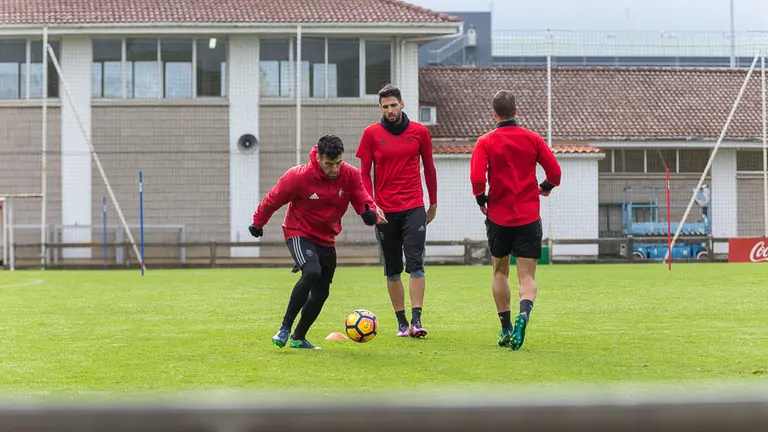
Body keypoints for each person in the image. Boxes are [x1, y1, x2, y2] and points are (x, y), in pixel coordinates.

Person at [250, 134, 387, 350]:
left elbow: (362, 198)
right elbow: (272, 200)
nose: (334, 169)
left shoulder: (350, 175)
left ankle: (298, 337)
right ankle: (284, 328)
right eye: (329, 164)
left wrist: (368, 213)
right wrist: (258, 223)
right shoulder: (298, 177)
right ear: (318, 158)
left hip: (326, 238)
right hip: (298, 231)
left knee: (322, 292)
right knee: (312, 271)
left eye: (338, 163)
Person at [469, 90, 562, 351]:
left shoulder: (485, 142)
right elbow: (555, 172)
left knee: (500, 271)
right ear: (516, 112)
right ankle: (524, 313)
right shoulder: (533, 139)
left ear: (494, 114)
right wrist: (545, 186)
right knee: (527, 276)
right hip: (528, 217)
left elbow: (477, 178)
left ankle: (506, 328)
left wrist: (481, 199)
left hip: (498, 218)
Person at [356, 83, 438, 339]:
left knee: (416, 265)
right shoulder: (370, 134)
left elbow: (430, 168)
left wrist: (433, 203)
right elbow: (363, 173)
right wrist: (371, 203)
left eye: (393, 105)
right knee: (392, 269)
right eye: (385, 107)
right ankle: (401, 323)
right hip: (384, 212)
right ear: (380, 108)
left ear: (402, 104)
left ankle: (417, 320)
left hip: (414, 207)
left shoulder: (420, 132)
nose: (390, 110)